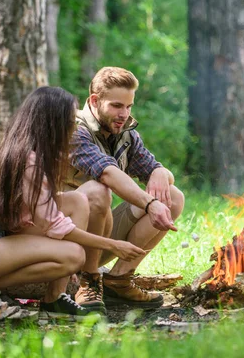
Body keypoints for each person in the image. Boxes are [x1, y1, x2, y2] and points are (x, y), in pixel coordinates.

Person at [0, 87, 146, 319]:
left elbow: (48, 215)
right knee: (73, 256)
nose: (74, 127)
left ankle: (55, 298)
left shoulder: (32, 154)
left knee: (77, 201)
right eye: (70, 120)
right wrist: (113, 245)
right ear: (52, 124)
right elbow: (57, 227)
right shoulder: (28, 162)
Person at [65, 66, 184, 309]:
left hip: (99, 238)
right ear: (95, 101)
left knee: (173, 196)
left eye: (129, 106)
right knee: (98, 191)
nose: (124, 114)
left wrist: (160, 172)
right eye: (117, 106)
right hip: (63, 236)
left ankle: (118, 280)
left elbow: (152, 168)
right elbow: (107, 172)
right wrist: (150, 203)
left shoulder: (125, 133)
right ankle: (88, 282)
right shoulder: (73, 129)